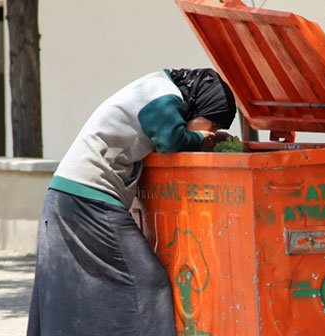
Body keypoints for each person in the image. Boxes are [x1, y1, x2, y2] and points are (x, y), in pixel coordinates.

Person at [26, 68, 236, 336]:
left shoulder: (155, 88)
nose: (214, 131)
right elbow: (172, 141)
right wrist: (203, 139)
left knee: (68, 291)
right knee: (149, 283)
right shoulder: (162, 95)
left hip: (65, 197)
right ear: (202, 106)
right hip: (89, 201)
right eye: (214, 124)